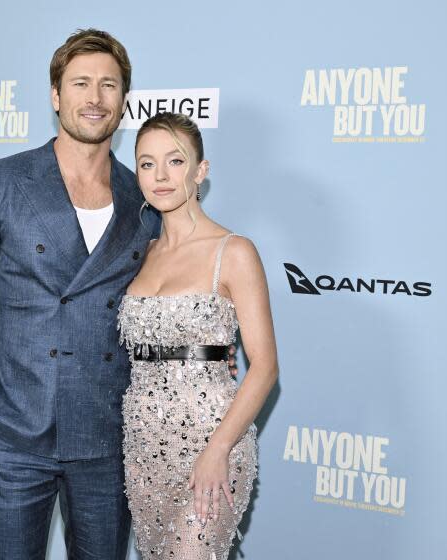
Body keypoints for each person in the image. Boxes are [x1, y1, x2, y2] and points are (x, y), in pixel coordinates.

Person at [0, 29, 160, 559]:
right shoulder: (0, 181)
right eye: (81, 83)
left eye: (108, 85)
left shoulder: (145, 197)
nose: (95, 98)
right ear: (55, 95)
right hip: (14, 426)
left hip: (106, 428)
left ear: (123, 100)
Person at [118, 112, 279, 558]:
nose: (161, 176)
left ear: (200, 171)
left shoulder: (234, 252)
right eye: (147, 164)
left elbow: (264, 367)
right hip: (143, 447)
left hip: (212, 441)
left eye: (175, 161)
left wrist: (218, 450)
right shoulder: (141, 253)